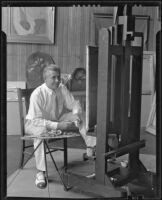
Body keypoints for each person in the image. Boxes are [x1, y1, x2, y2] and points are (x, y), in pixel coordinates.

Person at [25, 64, 96, 189]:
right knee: (41, 132)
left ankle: (91, 148)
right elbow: (36, 120)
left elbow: (74, 104)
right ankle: (41, 172)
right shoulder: (37, 94)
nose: (57, 80)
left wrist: (76, 115)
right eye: (53, 77)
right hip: (35, 123)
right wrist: (58, 125)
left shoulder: (61, 88)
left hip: (56, 119)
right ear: (45, 79)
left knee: (82, 114)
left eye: (58, 77)